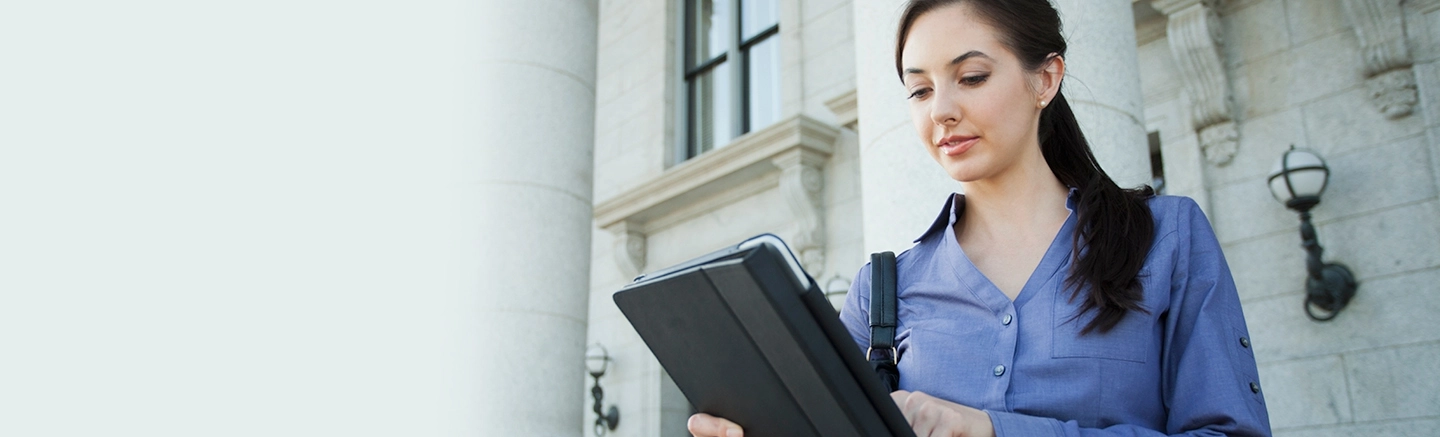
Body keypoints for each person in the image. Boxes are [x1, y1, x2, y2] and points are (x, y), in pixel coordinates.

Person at [688, 0, 1273, 436]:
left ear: (1045, 79)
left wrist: (995, 430)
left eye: (971, 77)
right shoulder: (883, 289)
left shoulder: (1165, 237)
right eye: (919, 91)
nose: (942, 111)